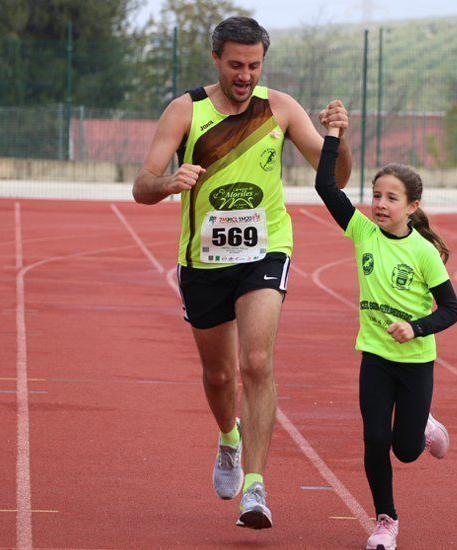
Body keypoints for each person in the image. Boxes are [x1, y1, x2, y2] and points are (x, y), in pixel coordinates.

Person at [132, 17, 353, 530]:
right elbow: (141, 185)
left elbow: (334, 180)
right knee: (220, 374)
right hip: (203, 261)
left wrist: (337, 137)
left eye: (254, 65)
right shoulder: (186, 110)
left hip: (265, 249)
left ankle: (256, 486)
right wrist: (170, 183)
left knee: (256, 360)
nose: (245, 75)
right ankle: (229, 438)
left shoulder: (279, 108)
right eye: (236, 65)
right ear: (216, 58)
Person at [314, 116, 457, 550]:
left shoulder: (424, 253)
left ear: (412, 206)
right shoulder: (362, 231)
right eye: (376, 195)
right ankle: (386, 520)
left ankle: (425, 427)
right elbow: (326, 187)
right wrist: (334, 137)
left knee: (406, 450)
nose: (380, 204)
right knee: (375, 440)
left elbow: (451, 310)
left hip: (415, 363)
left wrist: (415, 327)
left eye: (391, 198)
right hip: (375, 357)